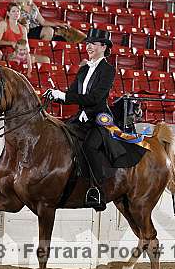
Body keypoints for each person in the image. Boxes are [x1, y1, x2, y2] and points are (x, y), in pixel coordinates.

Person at [46, 36, 145, 211]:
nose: (89, 46)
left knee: (89, 147)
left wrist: (64, 96)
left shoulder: (108, 70)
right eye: (87, 44)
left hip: (99, 119)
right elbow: (73, 94)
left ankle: (98, 191)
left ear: (104, 47)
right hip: (81, 118)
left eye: (93, 44)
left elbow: (95, 98)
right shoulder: (84, 69)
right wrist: (56, 95)